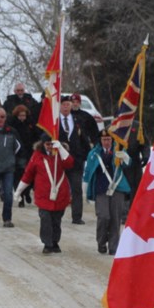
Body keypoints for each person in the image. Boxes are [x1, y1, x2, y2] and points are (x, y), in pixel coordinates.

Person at [15, 135, 74, 254]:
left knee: (56, 220)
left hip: (60, 194)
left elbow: (69, 164)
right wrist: (19, 190)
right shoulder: (37, 156)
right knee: (45, 219)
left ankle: (55, 241)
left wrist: (61, 149)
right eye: (47, 144)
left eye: (51, 144)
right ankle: (47, 244)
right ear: (43, 144)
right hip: (43, 194)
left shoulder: (60, 155)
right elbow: (28, 174)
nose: (49, 147)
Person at [83, 129, 131, 254]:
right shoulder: (94, 153)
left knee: (116, 219)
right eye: (104, 139)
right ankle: (101, 241)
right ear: (100, 140)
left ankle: (114, 247)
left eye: (109, 139)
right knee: (103, 217)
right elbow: (88, 172)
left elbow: (128, 164)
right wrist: (85, 189)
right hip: (101, 189)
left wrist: (124, 156)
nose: (106, 142)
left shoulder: (118, 151)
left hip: (117, 189)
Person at [58, 95, 94, 224]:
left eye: (68, 104)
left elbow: (84, 139)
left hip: (76, 161)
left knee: (77, 188)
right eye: (64, 104)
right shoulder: (55, 122)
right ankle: (58, 213)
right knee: (61, 189)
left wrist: (88, 155)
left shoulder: (77, 120)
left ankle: (77, 216)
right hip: (60, 161)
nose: (66, 106)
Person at [8, 105, 34, 207]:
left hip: (29, 152)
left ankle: (27, 192)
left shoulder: (30, 124)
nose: (22, 118)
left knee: (29, 175)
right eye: (20, 116)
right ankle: (20, 197)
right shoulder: (13, 125)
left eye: (24, 115)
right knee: (18, 176)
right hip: (17, 153)